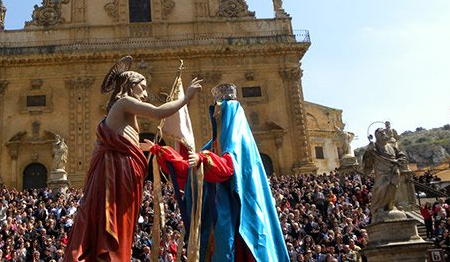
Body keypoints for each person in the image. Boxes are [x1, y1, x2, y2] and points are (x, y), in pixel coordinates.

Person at [64, 56, 202, 261]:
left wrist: (154, 149)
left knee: (124, 223)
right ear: (130, 85)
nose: (145, 93)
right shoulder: (124, 103)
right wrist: (186, 98)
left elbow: (127, 142)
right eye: (143, 87)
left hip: (124, 172)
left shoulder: (126, 111)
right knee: (117, 220)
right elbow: (157, 113)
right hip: (116, 174)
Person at [147, 83, 289, 261]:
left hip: (235, 210)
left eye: (219, 110)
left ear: (230, 113)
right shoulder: (212, 145)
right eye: (214, 109)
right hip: (215, 211)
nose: (215, 113)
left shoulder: (237, 141)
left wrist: (204, 159)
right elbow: (190, 168)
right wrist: (161, 151)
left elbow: (229, 168)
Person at [362, 127, 408, 223]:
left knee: (393, 188)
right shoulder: (374, 147)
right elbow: (367, 163)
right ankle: (379, 207)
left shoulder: (392, 146)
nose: (383, 134)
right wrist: (369, 151)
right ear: (376, 136)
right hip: (381, 172)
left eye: (383, 132)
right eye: (380, 133)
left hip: (394, 170)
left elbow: (401, 155)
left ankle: (390, 206)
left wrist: (399, 161)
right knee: (381, 188)